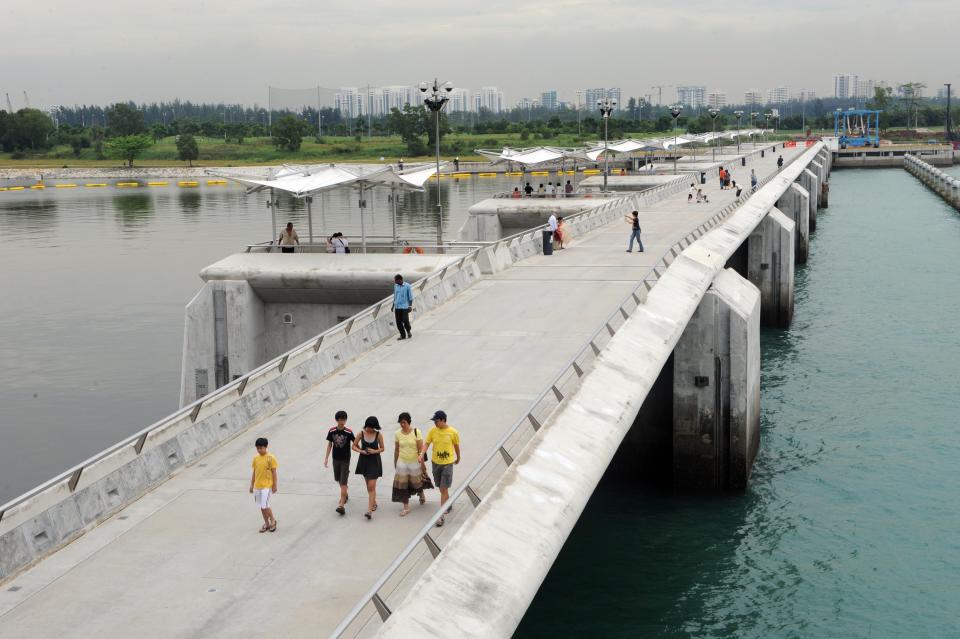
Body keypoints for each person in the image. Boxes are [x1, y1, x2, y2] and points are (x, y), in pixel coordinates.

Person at [421, 410, 460, 527]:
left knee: (443, 488)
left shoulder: (453, 432)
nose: (435, 423)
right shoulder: (433, 431)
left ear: (443, 420)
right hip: (435, 463)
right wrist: (421, 453)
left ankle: (441, 516)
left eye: (436, 421)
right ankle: (448, 503)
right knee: (441, 488)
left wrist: (458, 457)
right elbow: (427, 443)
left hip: (447, 463)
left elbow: (456, 446)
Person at [392, 412, 426, 516]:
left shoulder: (416, 432)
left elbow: (421, 449)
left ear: (408, 422)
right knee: (403, 485)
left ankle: (421, 493)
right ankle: (406, 507)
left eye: (404, 422)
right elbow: (397, 450)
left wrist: (422, 463)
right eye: (400, 422)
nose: (402, 424)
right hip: (402, 462)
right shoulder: (397, 434)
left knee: (417, 482)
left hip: (415, 462)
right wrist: (395, 462)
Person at [352, 416, 384, 520]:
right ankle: (373, 503)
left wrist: (374, 451)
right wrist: (361, 451)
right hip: (364, 461)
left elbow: (383, 448)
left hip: (374, 462)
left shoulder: (378, 435)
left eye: (371, 427)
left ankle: (369, 511)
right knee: (368, 486)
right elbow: (354, 446)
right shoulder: (360, 434)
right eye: (368, 427)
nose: (369, 429)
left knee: (371, 486)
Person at [324, 410, 354, 515]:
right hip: (335, 459)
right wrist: (326, 458)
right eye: (340, 420)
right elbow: (329, 444)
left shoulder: (349, 432)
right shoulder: (332, 431)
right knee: (338, 479)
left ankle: (341, 505)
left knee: (343, 482)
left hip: (346, 460)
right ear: (337, 420)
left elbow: (355, 443)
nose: (342, 422)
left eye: (344, 419)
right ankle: (345, 494)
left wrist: (361, 450)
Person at [249, 437, 278, 533]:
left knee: (264, 505)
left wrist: (274, 485)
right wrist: (251, 485)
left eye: (261, 448)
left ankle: (273, 520)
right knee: (261, 506)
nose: (259, 450)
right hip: (257, 486)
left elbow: (274, 472)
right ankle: (267, 523)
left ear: (266, 447)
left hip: (267, 486)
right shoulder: (255, 458)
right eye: (257, 448)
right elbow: (254, 472)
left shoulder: (271, 458)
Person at [393, 274, 414, 340]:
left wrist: (410, 306)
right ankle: (402, 335)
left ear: (400, 280)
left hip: (405, 306)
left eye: (396, 280)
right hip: (397, 306)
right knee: (398, 322)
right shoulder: (396, 286)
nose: (395, 282)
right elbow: (395, 296)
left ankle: (408, 331)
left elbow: (410, 297)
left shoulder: (407, 286)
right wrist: (393, 306)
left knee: (405, 320)